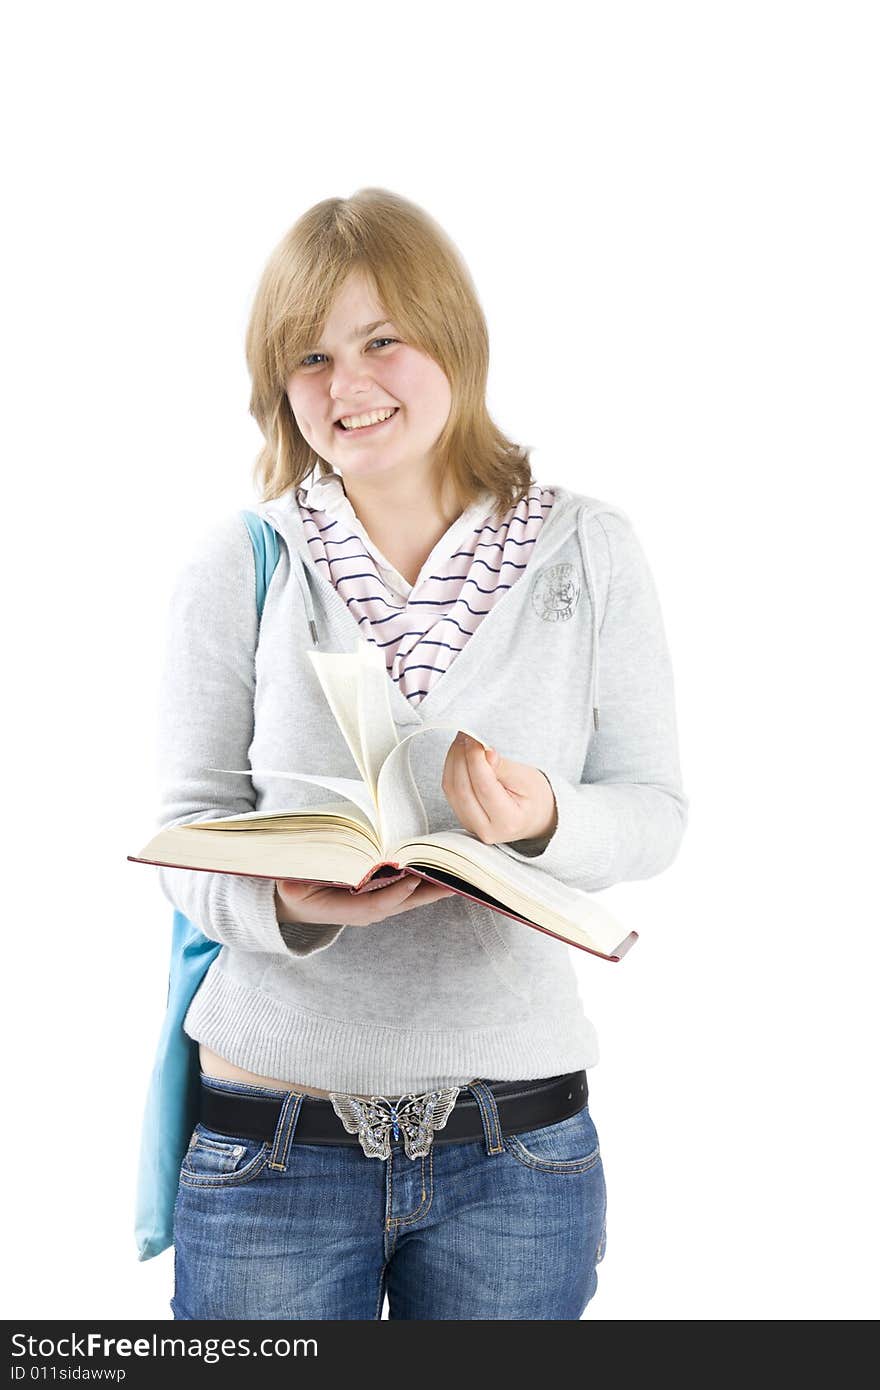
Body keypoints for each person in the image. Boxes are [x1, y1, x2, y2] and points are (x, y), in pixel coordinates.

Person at [156, 187, 688, 1320]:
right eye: (308, 358)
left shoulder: (587, 551)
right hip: (272, 1148)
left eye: (381, 340)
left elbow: (653, 809)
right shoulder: (243, 561)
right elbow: (182, 834)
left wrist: (542, 815)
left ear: (452, 334)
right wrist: (292, 905)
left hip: (518, 1152)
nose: (347, 387)